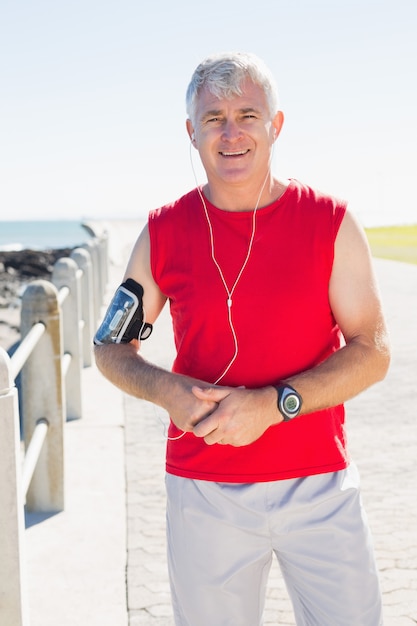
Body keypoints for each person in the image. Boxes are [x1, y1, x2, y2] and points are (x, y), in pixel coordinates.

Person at [94, 52, 390, 625]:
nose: (231, 133)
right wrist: (168, 391)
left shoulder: (331, 222)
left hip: (320, 486)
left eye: (247, 115)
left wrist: (275, 405)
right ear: (191, 132)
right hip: (205, 493)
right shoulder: (163, 231)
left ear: (275, 125)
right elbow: (109, 348)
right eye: (213, 119)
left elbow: (373, 351)